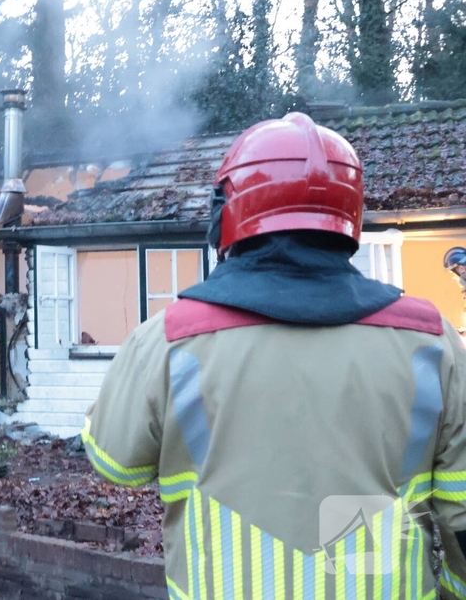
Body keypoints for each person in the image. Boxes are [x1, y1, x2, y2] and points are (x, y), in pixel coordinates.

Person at [83, 112, 466, 599]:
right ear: (350, 216)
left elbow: (116, 464)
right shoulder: (431, 340)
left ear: (228, 211)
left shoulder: (168, 338)